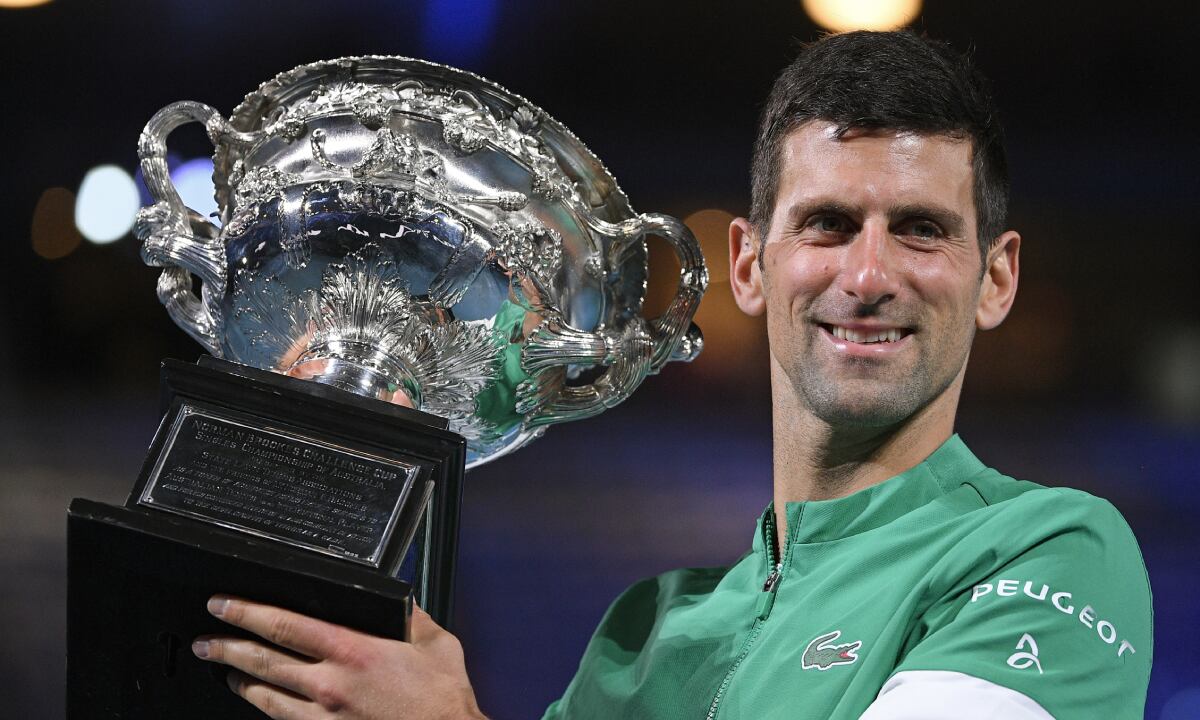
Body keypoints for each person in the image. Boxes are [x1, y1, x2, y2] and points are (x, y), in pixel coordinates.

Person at [189, 30, 1152, 719]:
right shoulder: (640, 643)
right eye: (825, 224)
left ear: (997, 278)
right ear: (747, 265)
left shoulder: (1047, 554)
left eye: (922, 231)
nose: (867, 275)